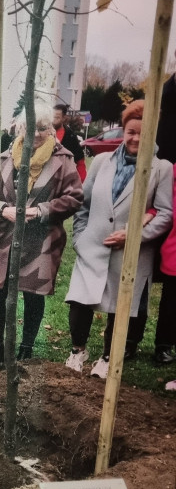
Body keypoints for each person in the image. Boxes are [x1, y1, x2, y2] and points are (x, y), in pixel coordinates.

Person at [65, 100, 173, 378]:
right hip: (93, 246)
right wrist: (80, 236)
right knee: (80, 302)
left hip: (131, 254)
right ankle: (78, 351)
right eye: (130, 132)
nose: (136, 138)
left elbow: (164, 213)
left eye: (142, 132)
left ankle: (106, 358)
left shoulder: (161, 169)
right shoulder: (101, 162)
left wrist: (134, 236)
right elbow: (82, 204)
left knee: (119, 308)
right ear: (123, 132)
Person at [0, 101, 83, 363]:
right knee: (0, 293)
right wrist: (2, 209)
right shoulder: (6, 155)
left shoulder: (62, 158)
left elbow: (75, 197)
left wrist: (41, 211)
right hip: (7, 237)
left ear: (51, 130)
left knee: (33, 295)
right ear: (21, 127)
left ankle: (27, 348)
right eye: (29, 126)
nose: (34, 133)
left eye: (42, 128)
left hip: (42, 237)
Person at [154, 161, 176, 375]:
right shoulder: (173, 173)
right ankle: (164, 345)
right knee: (171, 303)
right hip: (174, 251)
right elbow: (160, 202)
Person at [53, 104, 86, 181]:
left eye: (57, 117)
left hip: (63, 180)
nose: (53, 120)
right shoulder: (44, 133)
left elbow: (79, 160)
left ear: (64, 118)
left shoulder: (70, 136)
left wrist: (80, 181)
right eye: (52, 116)